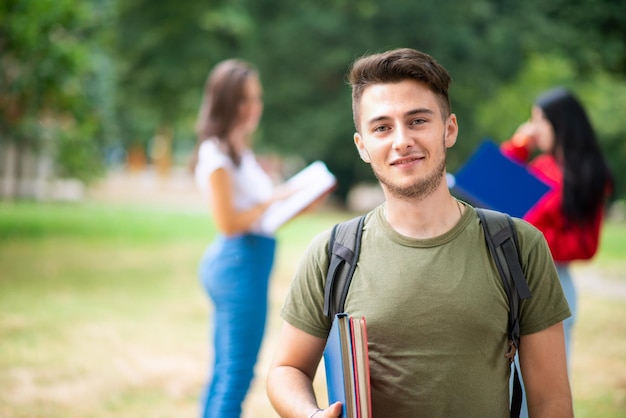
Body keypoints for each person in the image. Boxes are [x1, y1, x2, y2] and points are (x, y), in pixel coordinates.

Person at [266, 48, 574, 418]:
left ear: (449, 129)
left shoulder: (518, 246)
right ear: (362, 146)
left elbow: (552, 403)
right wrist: (310, 415)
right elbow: (286, 370)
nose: (401, 141)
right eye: (382, 127)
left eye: (417, 121)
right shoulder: (333, 253)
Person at [191, 58, 301, 418]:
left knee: (226, 371)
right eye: (244, 99)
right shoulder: (217, 155)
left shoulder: (239, 152)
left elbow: (261, 217)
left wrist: (296, 203)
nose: (254, 107)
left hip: (248, 260)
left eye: (256, 98)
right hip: (239, 264)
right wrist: (274, 199)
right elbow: (228, 222)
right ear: (224, 103)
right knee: (236, 376)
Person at [501, 87, 614, 417]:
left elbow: (585, 246)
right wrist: (519, 145)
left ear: (560, 124)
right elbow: (498, 189)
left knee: (545, 383)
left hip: (552, 279)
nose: (533, 127)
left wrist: (530, 240)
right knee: (508, 380)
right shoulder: (542, 165)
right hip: (513, 279)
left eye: (539, 120)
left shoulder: (588, 175)